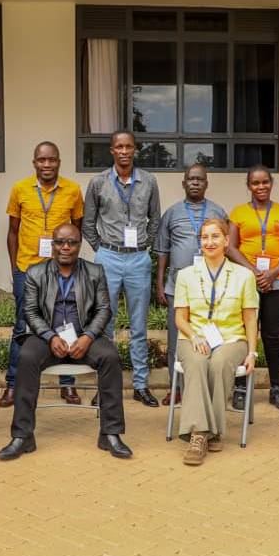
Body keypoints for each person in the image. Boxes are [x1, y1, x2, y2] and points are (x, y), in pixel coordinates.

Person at [0, 224, 133, 461]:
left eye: (71, 242)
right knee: (26, 357)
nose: (65, 247)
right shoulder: (35, 272)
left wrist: (88, 336)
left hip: (85, 337)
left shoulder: (95, 271)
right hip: (46, 337)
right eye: (60, 242)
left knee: (110, 357)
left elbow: (104, 309)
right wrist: (50, 337)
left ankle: (111, 433)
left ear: (80, 245)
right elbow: (29, 311)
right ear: (52, 245)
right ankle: (22, 436)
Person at [1, 141, 84, 408]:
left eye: (52, 160)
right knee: (22, 328)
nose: (46, 165)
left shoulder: (73, 190)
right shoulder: (20, 189)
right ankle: (13, 385)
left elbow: (77, 230)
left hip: (63, 270)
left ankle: (67, 384)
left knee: (66, 323)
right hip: (28, 269)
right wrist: (16, 269)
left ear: (59, 162)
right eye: (41, 160)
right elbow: (13, 231)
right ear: (34, 162)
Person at [82, 130, 162, 407]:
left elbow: (155, 220)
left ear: (135, 150)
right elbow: (88, 223)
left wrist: (144, 246)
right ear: (112, 151)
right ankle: (106, 385)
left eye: (129, 146)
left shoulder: (149, 181)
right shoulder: (98, 182)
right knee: (106, 324)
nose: (124, 151)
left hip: (138, 259)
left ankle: (140, 385)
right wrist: (101, 250)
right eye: (119, 146)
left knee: (139, 326)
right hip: (108, 258)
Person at [174, 219, 259, 465]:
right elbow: (180, 318)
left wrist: (252, 352)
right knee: (198, 363)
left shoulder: (244, 276)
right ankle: (202, 434)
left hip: (232, 339)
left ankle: (207, 431)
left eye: (215, 237)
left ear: (226, 241)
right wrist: (195, 335)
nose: (209, 242)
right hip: (193, 336)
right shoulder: (186, 275)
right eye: (205, 237)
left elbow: (250, 319)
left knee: (220, 362)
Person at [155, 164, 227, 407]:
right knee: (177, 339)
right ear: (183, 183)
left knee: (210, 335)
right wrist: (160, 283)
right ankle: (176, 387)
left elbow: (226, 249)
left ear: (206, 183)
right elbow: (163, 250)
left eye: (200, 179)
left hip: (211, 287)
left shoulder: (218, 211)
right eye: (191, 179)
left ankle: (204, 387)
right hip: (177, 287)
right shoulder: (172, 213)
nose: (195, 183)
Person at [227, 165, 279, 411]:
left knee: (272, 335)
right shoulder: (237, 213)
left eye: (265, 182)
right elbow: (231, 247)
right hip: (246, 280)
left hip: (278, 279)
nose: (261, 187)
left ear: (271, 183)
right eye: (255, 183)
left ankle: (276, 388)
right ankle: (240, 388)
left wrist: (273, 272)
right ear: (249, 186)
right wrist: (254, 272)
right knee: (245, 333)